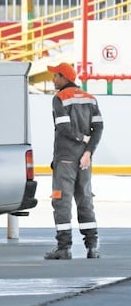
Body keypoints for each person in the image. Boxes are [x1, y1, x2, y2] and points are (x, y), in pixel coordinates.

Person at [44, 62, 104, 260]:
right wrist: (88, 152)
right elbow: (99, 128)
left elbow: (64, 128)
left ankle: (63, 247)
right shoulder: (91, 99)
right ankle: (92, 247)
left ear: (64, 77)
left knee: (61, 201)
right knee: (85, 199)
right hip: (84, 160)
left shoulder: (59, 98)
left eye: (55, 76)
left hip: (66, 158)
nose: (53, 79)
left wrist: (81, 140)